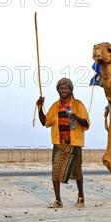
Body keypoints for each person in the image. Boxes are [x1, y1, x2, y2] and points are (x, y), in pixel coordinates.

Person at [37, 78, 90, 208]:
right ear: (58, 90)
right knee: (56, 172)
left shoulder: (78, 105)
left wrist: (76, 118)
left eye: (66, 88)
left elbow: (86, 123)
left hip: (74, 143)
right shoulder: (55, 106)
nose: (64, 90)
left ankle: (81, 197)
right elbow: (45, 122)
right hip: (58, 143)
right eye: (62, 88)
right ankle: (58, 200)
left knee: (77, 171)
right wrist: (39, 108)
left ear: (71, 90)